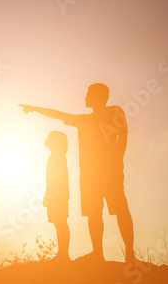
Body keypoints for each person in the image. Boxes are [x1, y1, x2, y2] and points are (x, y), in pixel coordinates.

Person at [19, 83, 135, 262]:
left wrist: (118, 158)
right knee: (94, 212)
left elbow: (124, 133)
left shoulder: (113, 112)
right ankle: (98, 254)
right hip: (89, 175)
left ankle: (130, 255)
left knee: (120, 210)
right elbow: (58, 115)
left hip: (109, 172)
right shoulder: (85, 120)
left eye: (89, 94)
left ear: (99, 96)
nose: (85, 97)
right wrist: (35, 109)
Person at [43, 131, 71, 261]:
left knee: (61, 223)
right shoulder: (57, 156)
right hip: (59, 196)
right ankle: (63, 253)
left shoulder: (56, 157)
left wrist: (48, 197)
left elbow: (54, 180)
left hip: (57, 196)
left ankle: (63, 254)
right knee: (60, 223)